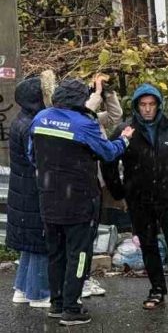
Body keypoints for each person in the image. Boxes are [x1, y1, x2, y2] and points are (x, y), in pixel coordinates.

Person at [28, 78, 134, 326]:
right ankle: (72, 308)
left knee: (56, 253)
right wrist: (125, 139)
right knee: (79, 254)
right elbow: (108, 152)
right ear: (80, 101)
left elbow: (32, 155)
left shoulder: (40, 118)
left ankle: (56, 303)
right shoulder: (84, 124)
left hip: (49, 198)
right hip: (79, 201)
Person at [102, 84, 168, 316]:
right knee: (149, 244)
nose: (147, 109)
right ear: (136, 106)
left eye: (152, 104)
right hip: (139, 199)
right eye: (143, 105)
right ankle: (157, 290)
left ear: (158, 105)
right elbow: (108, 159)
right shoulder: (126, 130)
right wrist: (119, 191)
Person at [8, 76, 50, 308]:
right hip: (33, 193)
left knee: (29, 243)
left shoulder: (20, 120)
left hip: (22, 191)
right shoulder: (33, 125)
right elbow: (38, 160)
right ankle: (40, 293)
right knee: (40, 240)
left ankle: (22, 288)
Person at [84, 72, 124, 300]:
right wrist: (96, 93)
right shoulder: (79, 120)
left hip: (95, 183)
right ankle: (80, 281)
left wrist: (107, 93)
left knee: (89, 233)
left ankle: (84, 278)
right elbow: (109, 150)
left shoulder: (92, 119)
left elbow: (115, 115)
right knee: (82, 235)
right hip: (83, 185)